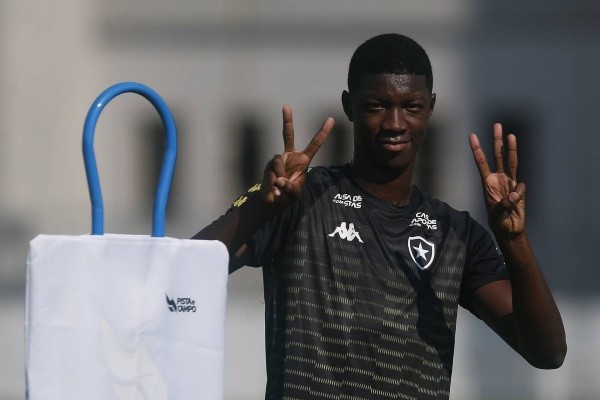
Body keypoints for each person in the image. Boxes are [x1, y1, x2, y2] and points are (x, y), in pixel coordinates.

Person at [194, 33, 566, 400]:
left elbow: (548, 353)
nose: (395, 123)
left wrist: (514, 241)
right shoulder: (300, 197)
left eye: (412, 107)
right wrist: (262, 207)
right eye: (377, 106)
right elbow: (188, 269)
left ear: (431, 108)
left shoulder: (457, 234)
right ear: (349, 106)